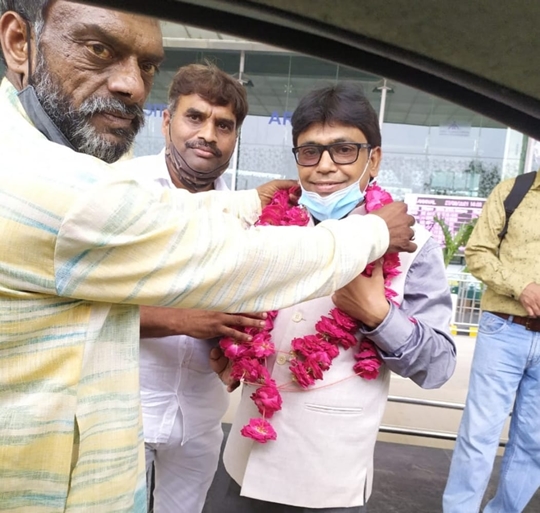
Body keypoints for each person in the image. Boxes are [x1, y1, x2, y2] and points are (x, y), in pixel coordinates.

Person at [0, 1, 417, 511]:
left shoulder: (255, 210)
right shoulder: (70, 185)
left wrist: (246, 205)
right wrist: (374, 231)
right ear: (19, 43)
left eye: (147, 65)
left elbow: (177, 218)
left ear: (374, 158)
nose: (130, 84)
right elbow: (230, 259)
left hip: (198, 432)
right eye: (97, 49)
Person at [218, 82, 456, 512]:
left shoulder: (413, 244)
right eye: (310, 151)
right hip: (242, 462)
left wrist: (379, 315)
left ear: (374, 158)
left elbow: (439, 365)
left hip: (328, 477)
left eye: (343, 149)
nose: (325, 166)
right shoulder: (269, 229)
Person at [122, 63, 261, 513]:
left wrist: (241, 349)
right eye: (195, 117)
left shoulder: (244, 217)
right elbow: (88, 307)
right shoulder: (124, 190)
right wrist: (188, 321)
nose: (209, 134)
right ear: (166, 121)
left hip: (200, 417)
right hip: (121, 410)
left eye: (224, 125)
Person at [443, 172, 540, 512]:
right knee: (479, 435)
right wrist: (521, 285)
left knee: (535, 443)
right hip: (504, 328)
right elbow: (478, 253)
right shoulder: (514, 191)